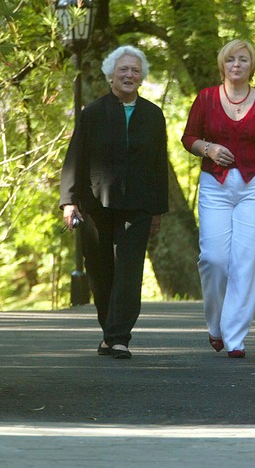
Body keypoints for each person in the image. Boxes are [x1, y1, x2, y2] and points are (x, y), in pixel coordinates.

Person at [59, 45, 169, 360]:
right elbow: (74, 159)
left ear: (142, 77)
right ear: (111, 75)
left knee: (130, 270)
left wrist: (158, 209)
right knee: (100, 270)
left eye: (135, 70)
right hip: (95, 202)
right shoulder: (93, 112)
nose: (129, 75)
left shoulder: (153, 115)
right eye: (123, 70)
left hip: (140, 204)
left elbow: (159, 163)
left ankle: (119, 337)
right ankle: (109, 330)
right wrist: (69, 201)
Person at [181, 40, 255, 358]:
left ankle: (236, 337)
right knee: (213, 260)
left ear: (252, 66)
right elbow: (188, 137)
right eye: (231, 60)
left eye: (243, 60)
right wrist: (208, 148)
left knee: (246, 262)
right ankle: (216, 325)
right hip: (215, 184)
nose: (237, 65)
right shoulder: (207, 98)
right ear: (222, 65)